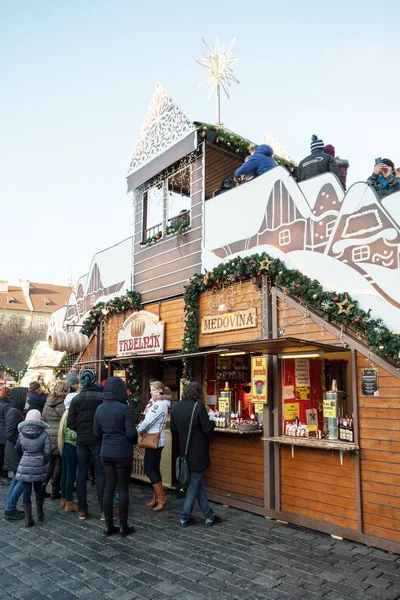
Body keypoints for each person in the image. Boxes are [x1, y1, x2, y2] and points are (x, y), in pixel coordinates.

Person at [170, 381, 221, 527]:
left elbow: (173, 430)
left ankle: (209, 515)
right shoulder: (198, 407)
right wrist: (213, 423)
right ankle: (184, 516)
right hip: (198, 451)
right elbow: (206, 428)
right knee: (194, 483)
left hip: (184, 451)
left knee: (198, 484)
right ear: (197, 394)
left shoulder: (176, 407)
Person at [93, 377, 137, 536]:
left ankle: (108, 526)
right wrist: (134, 440)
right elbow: (131, 433)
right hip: (123, 452)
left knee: (108, 488)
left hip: (106, 452)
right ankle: (124, 526)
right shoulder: (124, 409)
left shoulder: (100, 409)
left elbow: (96, 433)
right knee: (123, 488)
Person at [67, 369, 105, 520]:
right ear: (94, 380)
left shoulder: (76, 399)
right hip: (98, 440)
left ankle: (83, 510)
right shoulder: (101, 397)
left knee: (81, 475)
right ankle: (104, 510)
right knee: (101, 475)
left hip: (82, 441)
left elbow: (70, 422)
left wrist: (80, 430)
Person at [138, 381, 171, 511]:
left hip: (155, 440)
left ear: (159, 390)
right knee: (154, 468)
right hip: (155, 439)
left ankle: (161, 497)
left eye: (152, 389)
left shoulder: (159, 404)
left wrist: (139, 429)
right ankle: (157, 496)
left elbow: (148, 420)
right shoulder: (158, 403)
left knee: (149, 468)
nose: (150, 391)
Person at [15, 409, 51, 527]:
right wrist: (43, 461)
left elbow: (17, 449)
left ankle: (28, 519)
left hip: (25, 461)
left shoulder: (21, 433)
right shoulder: (44, 433)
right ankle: (40, 513)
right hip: (39, 462)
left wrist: (25, 456)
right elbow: (47, 452)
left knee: (26, 490)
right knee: (38, 488)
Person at [3, 387, 28, 520]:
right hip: (15, 452)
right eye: (25, 396)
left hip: (14, 451)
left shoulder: (15, 410)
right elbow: (10, 434)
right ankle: (10, 507)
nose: (27, 399)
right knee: (24, 479)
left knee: (16, 479)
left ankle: (10, 507)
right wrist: (24, 441)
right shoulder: (13, 412)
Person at [42, 381, 68, 500]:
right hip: (58, 434)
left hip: (48, 432)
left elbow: (43, 417)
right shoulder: (62, 403)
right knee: (58, 463)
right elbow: (65, 419)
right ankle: (55, 490)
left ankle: (42, 487)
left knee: (51, 463)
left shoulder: (48, 401)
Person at [58, 393, 78, 512]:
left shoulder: (65, 414)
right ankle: (69, 501)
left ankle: (64, 499)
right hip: (71, 447)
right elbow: (72, 434)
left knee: (65, 474)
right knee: (70, 475)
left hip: (66, 446)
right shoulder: (71, 415)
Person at [0, 387, 10, 483]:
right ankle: (3, 475)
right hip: (3, 435)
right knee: (3, 456)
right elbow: (9, 421)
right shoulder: (7, 405)